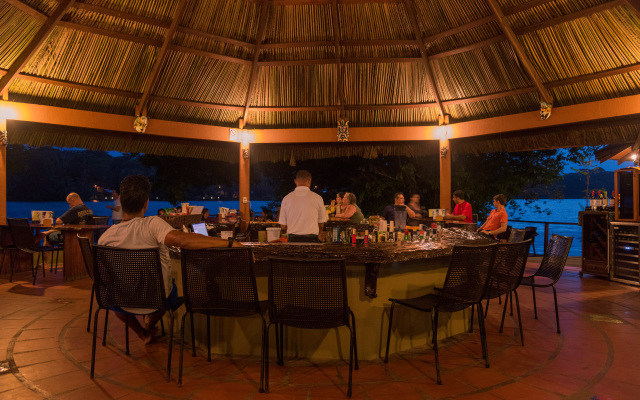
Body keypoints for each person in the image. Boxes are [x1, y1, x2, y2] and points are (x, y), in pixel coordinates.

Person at [98, 175, 242, 344]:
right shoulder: (152, 224)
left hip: (121, 302)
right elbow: (183, 240)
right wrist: (229, 242)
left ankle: (142, 333)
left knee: (117, 295)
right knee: (170, 289)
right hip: (157, 300)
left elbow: (106, 277)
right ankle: (150, 322)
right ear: (146, 203)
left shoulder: (105, 238)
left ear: (121, 202)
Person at [279, 170, 327, 243]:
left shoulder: (286, 198)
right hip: (312, 239)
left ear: (295, 181)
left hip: (293, 240)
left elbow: (283, 226)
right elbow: (321, 224)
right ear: (309, 181)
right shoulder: (318, 198)